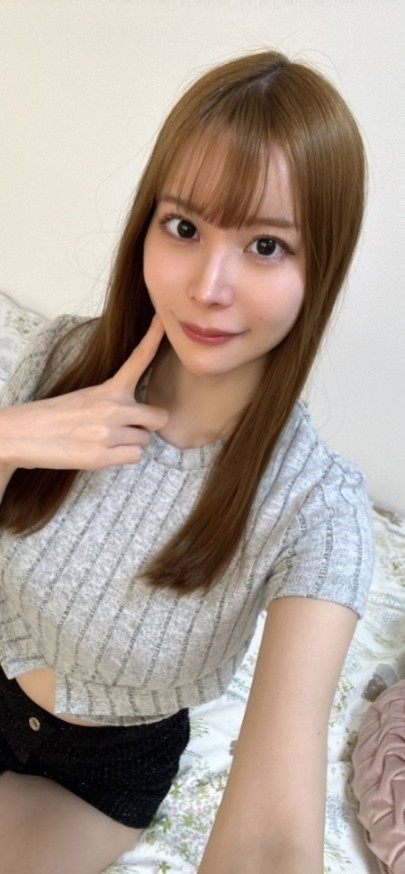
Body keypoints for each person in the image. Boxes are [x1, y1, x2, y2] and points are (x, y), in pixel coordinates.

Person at [0, 49, 373, 874]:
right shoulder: (62, 358)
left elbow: (273, 833)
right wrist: (9, 435)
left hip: (91, 772)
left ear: (322, 265)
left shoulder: (318, 513)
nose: (208, 285)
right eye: (184, 227)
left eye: (266, 245)